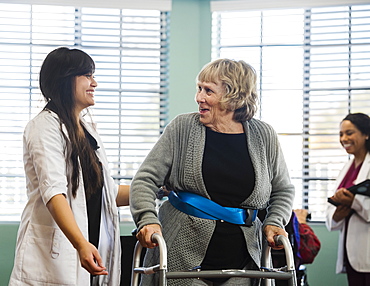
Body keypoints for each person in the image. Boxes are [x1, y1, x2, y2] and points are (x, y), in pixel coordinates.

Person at [130, 58, 295, 286]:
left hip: (243, 260)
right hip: (182, 254)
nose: (199, 98)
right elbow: (144, 181)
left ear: (233, 96)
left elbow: (283, 189)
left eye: (208, 91)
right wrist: (147, 219)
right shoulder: (182, 128)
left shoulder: (264, 135)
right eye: (199, 88)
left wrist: (275, 221)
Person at [9, 47, 130, 286]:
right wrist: (81, 243)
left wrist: (156, 187)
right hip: (56, 257)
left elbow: (107, 194)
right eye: (87, 75)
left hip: (92, 254)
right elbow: (54, 193)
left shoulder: (88, 133)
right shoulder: (44, 127)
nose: (94, 83)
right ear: (64, 80)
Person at [326, 112, 370, 286]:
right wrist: (336, 215)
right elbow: (331, 207)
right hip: (350, 252)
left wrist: (354, 202)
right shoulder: (346, 168)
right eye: (341, 134)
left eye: (349, 133)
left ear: (366, 134)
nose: (344, 138)